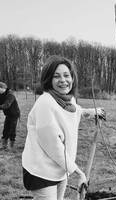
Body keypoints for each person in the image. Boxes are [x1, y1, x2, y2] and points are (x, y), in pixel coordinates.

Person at [21, 55, 106, 200]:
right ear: (49, 79)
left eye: (67, 75)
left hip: (60, 168)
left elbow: (75, 110)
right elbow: (54, 147)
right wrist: (79, 172)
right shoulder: (45, 104)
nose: (63, 80)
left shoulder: (67, 99)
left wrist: (92, 112)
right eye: (56, 76)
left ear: (72, 78)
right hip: (42, 170)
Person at [0, 82, 20, 150]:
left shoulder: (10, 94)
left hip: (14, 114)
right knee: (5, 129)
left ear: (3, 88)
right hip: (8, 114)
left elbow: (6, 105)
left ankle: (11, 146)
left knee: (12, 130)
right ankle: (4, 145)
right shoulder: (1, 94)